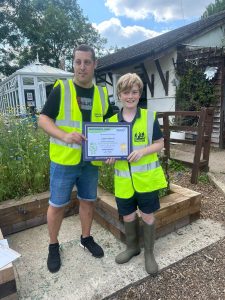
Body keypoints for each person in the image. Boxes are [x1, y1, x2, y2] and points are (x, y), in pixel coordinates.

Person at [38, 44, 113, 273]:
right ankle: (53, 245)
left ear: (95, 64)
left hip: (91, 162)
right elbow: (43, 120)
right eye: (78, 62)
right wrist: (64, 135)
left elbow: (111, 124)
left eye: (87, 62)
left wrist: (114, 149)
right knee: (57, 205)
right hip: (64, 161)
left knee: (88, 201)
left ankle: (86, 238)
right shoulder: (61, 89)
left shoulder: (101, 93)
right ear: (73, 63)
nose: (82, 67)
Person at [106, 73, 167, 275]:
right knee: (129, 216)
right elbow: (109, 149)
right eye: (126, 92)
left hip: (146, 181)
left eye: (134, 92)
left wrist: (142, 151)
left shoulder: (149, 117)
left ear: (140, 94)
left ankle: (149, 253)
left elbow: (160, 144)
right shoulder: (112, 121)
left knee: (147, 216)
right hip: (124, 183)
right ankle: (132, 247)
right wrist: (110, 156)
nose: (130, 96)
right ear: (119, 95)